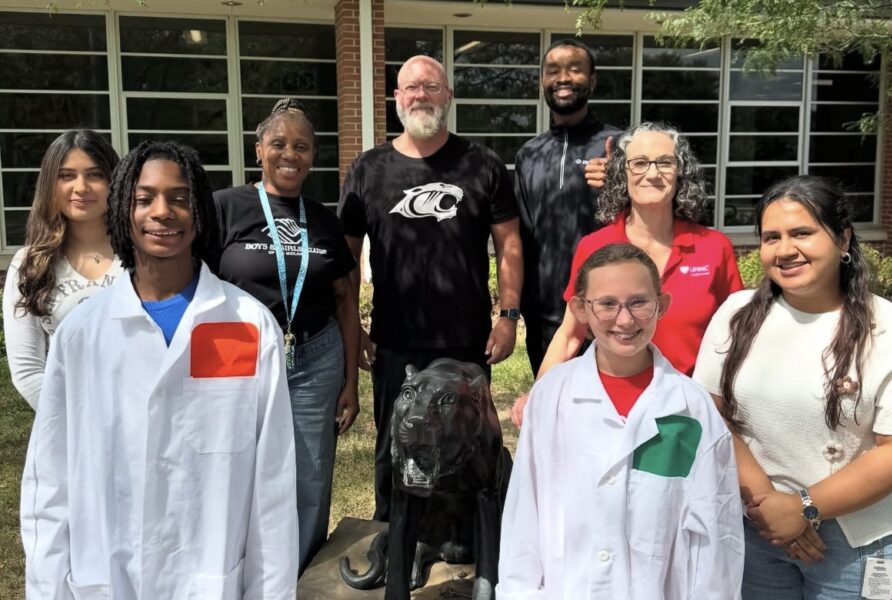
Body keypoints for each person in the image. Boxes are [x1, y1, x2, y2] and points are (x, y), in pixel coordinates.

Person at [21, 141, 299, 599]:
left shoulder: (247, 327)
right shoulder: (82, 336)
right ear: (120, 210)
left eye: (181, 198)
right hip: (107, 577)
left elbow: (272, 484)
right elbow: (49, 482)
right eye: (144, 198)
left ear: (202, 212)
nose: (163, 212)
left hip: (209, 577)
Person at [693, 175, 892, 599]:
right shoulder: (736, 314)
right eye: (772, 237)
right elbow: (709, 414)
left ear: (842, 240)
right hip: (757, 530)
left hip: (857, 542)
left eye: (802, 233)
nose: (785, 249)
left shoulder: (890, 329)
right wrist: (771, 507)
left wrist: (806, 509)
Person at [497, 243, 743, 599]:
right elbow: (525, 513)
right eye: (607, 303)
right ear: (581, 309)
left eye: (639, 302)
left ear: (662, 305)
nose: (625, 320)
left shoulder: (691, 409)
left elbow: (718, 537)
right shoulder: (551, 396)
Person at [339, 54, 523, 521]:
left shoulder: (482, 165)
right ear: (397, 99)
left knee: (467, 442)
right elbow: (345, 256)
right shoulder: (368, 168)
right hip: (394, 340)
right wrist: (353, 329)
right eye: (411, 88)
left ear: (449, 96)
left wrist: (508, 316)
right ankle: (393, 537)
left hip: (465, 341)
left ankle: (464, 539)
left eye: (431, 86)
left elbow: (509, 245)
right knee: (394, 445)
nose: (421, 95)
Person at [511, 121, 742, 427]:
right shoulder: (594, 247)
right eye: (640, 163)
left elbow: (737, 338)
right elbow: (569, 335)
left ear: (681, 171)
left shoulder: (714, 248)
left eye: (665, 162)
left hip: (688, 413)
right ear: (622, 172)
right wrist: (538, 394)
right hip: (608, 413)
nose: (652, 172)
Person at [211, 98, 359, 574]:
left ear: (313, 156)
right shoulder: (225, 207)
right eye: (278, 143)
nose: (289, 154)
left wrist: (351, 383)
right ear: (259, 150)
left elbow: (344, 300)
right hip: (239, 353)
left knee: (310, 474)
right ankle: (238, 568)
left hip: (314, 354)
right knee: (236, 465)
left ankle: (299, 572)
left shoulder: (323, 219)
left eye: (301, 146)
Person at [515, 38, 620, 375]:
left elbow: (655, 217)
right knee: (554, 410)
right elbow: (521, 236)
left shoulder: (618, 145)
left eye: (575, 69)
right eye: (553, 71)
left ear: (592, 81)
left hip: (608, 310)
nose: (563, 78)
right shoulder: (529, 154)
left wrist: (622, 185)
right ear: (542, 82)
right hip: (545, 315)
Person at [3, 130, 122, 410]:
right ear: (50, 184)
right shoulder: (30, 265)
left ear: (114, 181)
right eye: (67, 175)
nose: (81, 187)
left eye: (94, 175)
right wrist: (81, 423)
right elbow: (28, 371)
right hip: (68, 432)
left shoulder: (142, 256)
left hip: (143, 427)